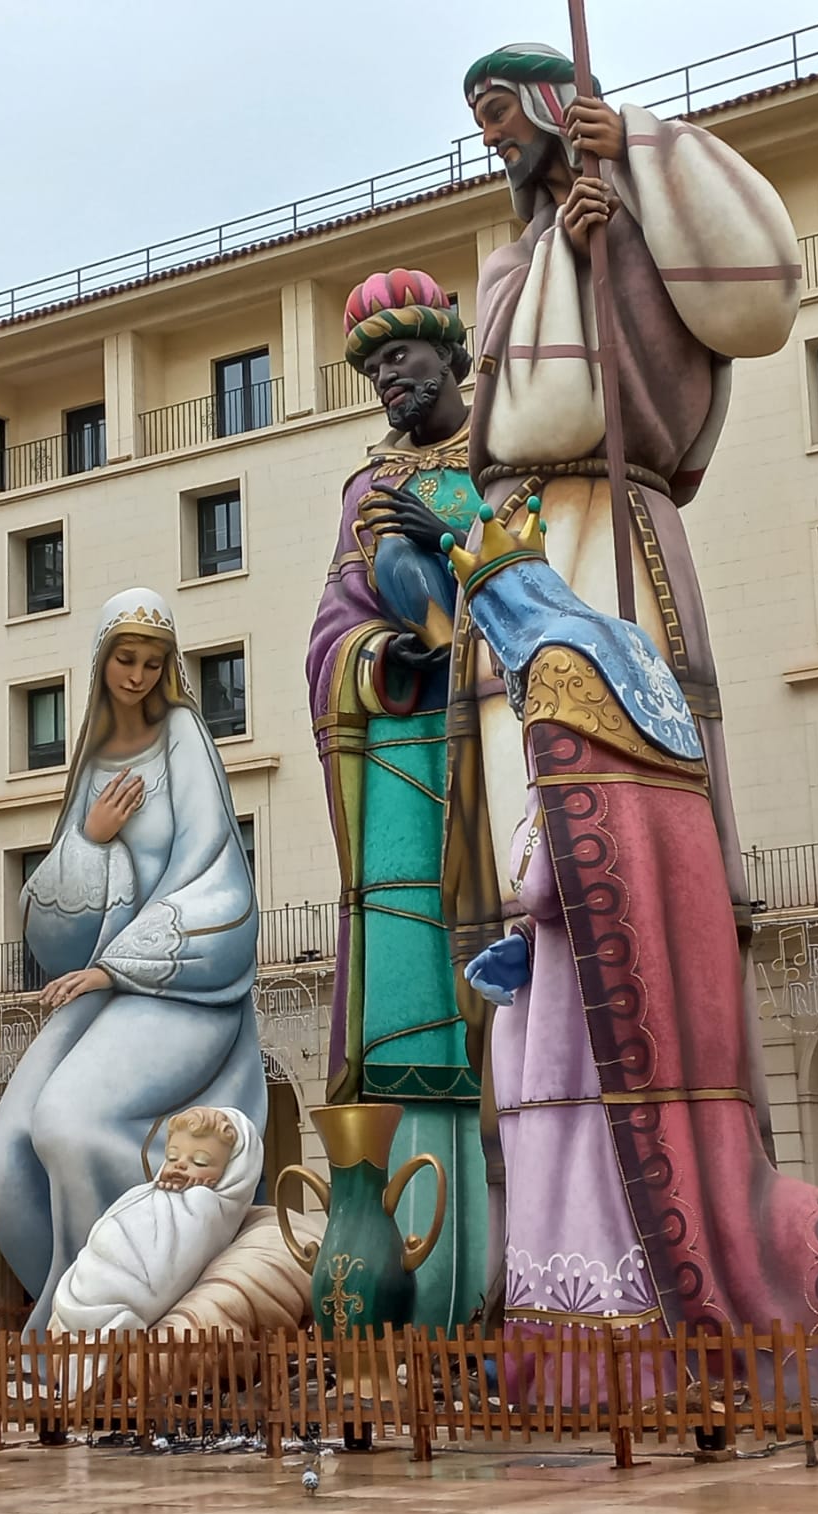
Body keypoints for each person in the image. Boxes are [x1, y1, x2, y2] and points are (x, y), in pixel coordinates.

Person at [450, 509, 818, 1397]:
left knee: (592, 1176)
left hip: (590, 1035)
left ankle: (603, 1368)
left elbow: (552, 866)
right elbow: (623, 863)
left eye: (489, 622)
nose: (496, 651)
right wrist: (534, 955)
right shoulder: (630, 666)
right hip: (638, 991)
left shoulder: (560, 672)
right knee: (693, 1181)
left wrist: (527, 902)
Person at [444, 45, 801, 1167]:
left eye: (503, 113)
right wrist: (566, 246)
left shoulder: (632, 226)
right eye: (480, 123)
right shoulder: (511, 265)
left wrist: (634, 155)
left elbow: (755, 301)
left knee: (623, 757)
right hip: (518, 540)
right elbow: (497, 395)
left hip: (611, 530)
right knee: (519, 796)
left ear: (555, 108)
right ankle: (536, 986)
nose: (492, 137)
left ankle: (656, 1062)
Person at [0, 589, 265, 1331]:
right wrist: (89, 838)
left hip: (179, 984)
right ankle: (80, 1301)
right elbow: (52, 923)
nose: (136, 676)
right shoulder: (93, 764)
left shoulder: (182, 734)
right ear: (102, 661)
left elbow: (218, 878)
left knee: (70, 1124)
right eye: (124, 660)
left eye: (151, 663)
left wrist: (114, 967)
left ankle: (112, 1310)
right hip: (102, 987)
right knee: (4, 1159)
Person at [306, 268, 488, 1328]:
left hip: (493, 737)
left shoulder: (506, 452)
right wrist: (382, 649)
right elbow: (331, 624)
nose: (388, 380)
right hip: (399, 748)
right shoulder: (361, 486)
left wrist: (444, 541)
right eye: (372, 367)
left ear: (448, 356)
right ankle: (429, 1279)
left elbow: (534, 571)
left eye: (402, 359)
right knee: (409, 992)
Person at [49, 1107, 261, 1338]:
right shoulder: (141, 1192)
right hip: (86, 1281)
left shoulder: (205, 1205)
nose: (180, 1165)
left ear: (233, 1172)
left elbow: (165, 1277)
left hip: (120, 1295)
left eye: (200, 1162)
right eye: (172, 1157)